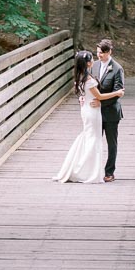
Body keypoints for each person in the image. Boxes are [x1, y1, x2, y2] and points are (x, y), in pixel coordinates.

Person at [54, 50, 124, 184]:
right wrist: (117, 93)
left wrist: (83, 97)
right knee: (93, 139)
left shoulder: (80, 76)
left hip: (88, 109)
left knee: (89, 137)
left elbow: (84, 92)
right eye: (92, 59)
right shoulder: (88, 79)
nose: (94, 60)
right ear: (87, 63)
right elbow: (99, 96)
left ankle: (84, 168)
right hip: (92, 111)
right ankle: (84, 171)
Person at [92, 38, 125, 182]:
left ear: (109, 52)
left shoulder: (117, 68)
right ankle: (94, 170)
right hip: (95, 113)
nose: (99, 55)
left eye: (102, 53)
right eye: (98, 52)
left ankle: (109, 172)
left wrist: (100, 102)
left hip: (111, 112)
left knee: (111, 144)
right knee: (94, 141)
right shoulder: (94, 65)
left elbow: (118, 91)